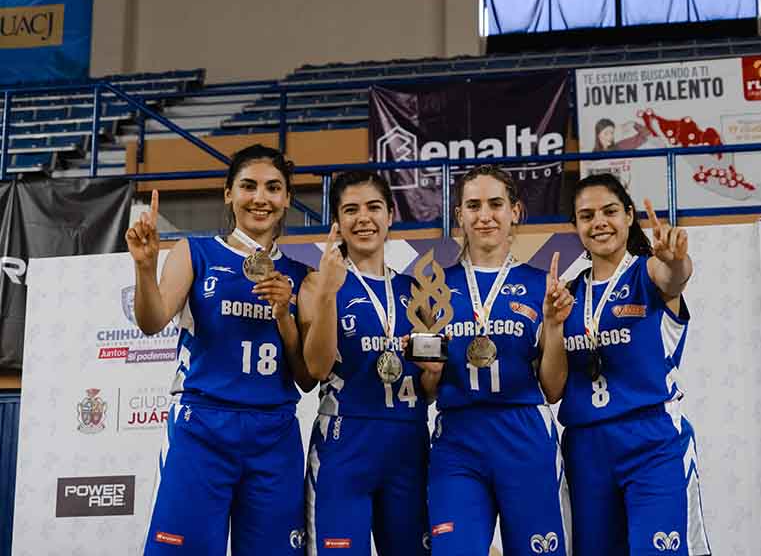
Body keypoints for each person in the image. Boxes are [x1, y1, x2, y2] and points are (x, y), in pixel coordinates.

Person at [127, 144, 314, 555]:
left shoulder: (302, 277)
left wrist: (285, 314)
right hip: (203, 426)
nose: (260, 198)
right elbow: (152, 320)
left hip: (274, 431)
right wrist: (143, 268)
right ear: (229, 193)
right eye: (248, 186)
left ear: (286, 199)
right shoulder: (196, 252)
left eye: (273, 188)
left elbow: (305, 377)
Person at [541, 173, 712, 556]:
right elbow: (552, 389)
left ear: (629, 215)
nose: (599, 222)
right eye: (586, 215)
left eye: (609, 211)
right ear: (576, 226)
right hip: (586, 447)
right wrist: (551, 325)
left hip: (651, 441)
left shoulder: (647, 271)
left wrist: (677, 260)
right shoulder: (567, 295)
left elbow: (674, 278)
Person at [426, 164, 572, 556]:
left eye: (495, 204)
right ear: (459, 215)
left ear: (515, 212)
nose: (485, 215)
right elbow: (426, 390)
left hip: (524, 432)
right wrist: (429, 369)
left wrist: (555, 327)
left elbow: (555, 388)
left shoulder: (543, 284)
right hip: (458, 438)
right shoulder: (433, 286)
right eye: (473, 205)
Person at [301, 170, 430, 555]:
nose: (363, 218)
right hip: (345, 441)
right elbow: (315, 369)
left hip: (409, 440)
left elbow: (432, 386)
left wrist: (435, 371)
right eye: (351, 210)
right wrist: (327, 295)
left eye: (374, 207)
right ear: (337, 223)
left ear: (390, 214)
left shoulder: (417, 291)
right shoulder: (316, 283)